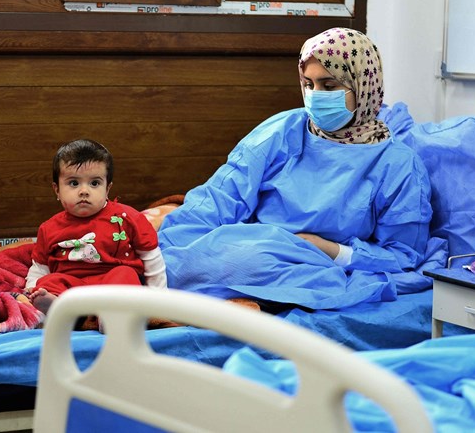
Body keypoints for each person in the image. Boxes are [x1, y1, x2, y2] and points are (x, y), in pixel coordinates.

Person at [158, 28, 434, 310]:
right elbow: (221, 196)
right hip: (255, 246)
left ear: (364, 86)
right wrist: (167, 247)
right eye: (308, 84)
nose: (315, 96)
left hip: (318, 265)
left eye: (329, 86)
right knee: (176, 262)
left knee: (300, 277)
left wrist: (332, 251)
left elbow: (403, 254)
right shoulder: (283, 130)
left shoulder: (398, 165)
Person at [26, 139, 167, 314]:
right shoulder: (49, 228)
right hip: (72, 286)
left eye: (94, 183)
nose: (84, 191)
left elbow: (151, 256)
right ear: (57, 190)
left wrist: (158, 295)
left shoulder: (128, 218)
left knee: (126, 273)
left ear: (107, 188)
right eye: (74, 183)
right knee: (50, 281)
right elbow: (40, 268)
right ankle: (56, 307)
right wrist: (31, 291)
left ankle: (112, 315)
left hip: (112, 285)